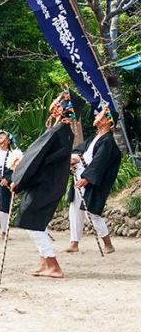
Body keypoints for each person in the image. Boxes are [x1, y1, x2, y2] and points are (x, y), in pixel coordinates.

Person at [9, 89, 83, 279]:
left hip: (44, 184)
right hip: (52, 184)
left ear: (63, 107)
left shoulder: (57, 131)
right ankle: (44, 262)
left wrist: (18, 180)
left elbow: (35, 158)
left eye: (58, 100)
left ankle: (53, 264)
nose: (54, 103)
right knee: (37, 222)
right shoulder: (66, 132)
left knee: (30, 220)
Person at [62, 105, 122, 254]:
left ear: (106, 121)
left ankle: (108, 244)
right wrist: (74, 159)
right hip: (80, 174)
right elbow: (79, 151)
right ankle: (74, 242)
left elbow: (99, 163)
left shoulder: (108, 142)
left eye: (99, 115)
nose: (96, 116)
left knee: (92, 213)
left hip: (92, 180)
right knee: (75, 208)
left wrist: (87, 179)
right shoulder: (94, 138)